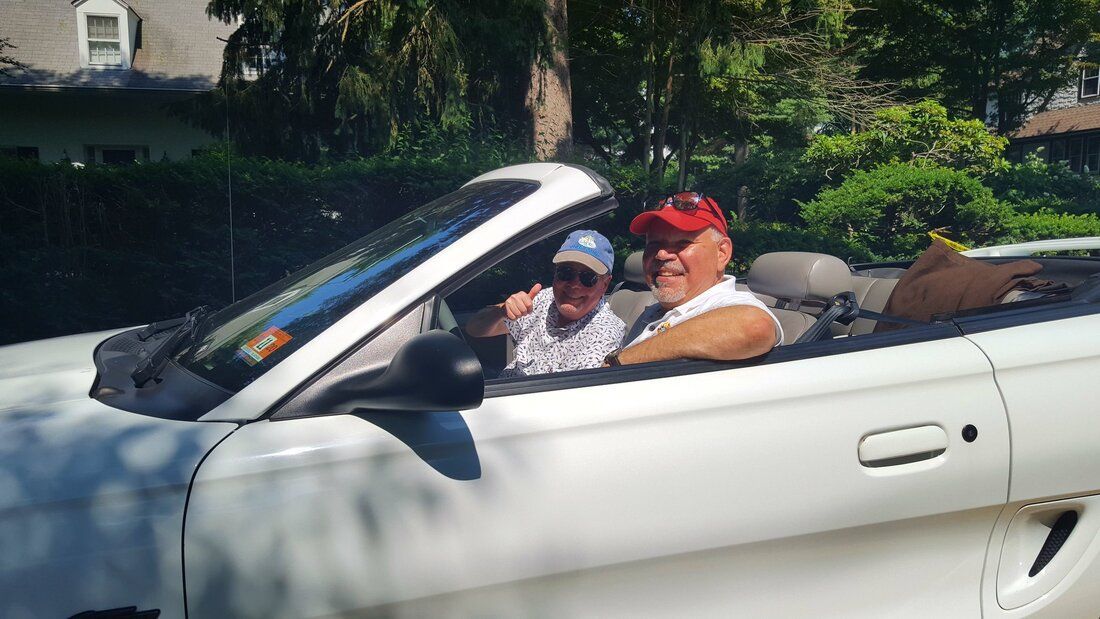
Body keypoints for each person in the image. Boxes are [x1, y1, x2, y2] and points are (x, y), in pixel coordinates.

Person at [604, 192, 782, 367]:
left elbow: (755, 327)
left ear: (722, 253)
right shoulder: (654, 312)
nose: (661, 254)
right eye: (653, 244)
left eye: (682, 243)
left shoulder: (728, 304)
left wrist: (620, 362)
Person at [466, 230, 626, 378]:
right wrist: (500, 312)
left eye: (588, 277)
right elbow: (474, 329)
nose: (574, 284)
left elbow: (569, 395)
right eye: (566, 272)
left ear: (605, 284)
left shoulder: (605, 333)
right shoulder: (543, 299)